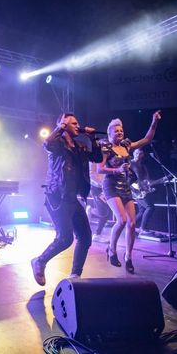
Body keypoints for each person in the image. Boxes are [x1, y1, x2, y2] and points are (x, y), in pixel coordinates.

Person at [31, 113, 102, 286]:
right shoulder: (57, 144)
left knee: (85, 237)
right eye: (74, 123)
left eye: (78, 123)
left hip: (72, 198)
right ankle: (39, 261)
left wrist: (92, 139)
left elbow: (98, 158)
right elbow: (47, 143)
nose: (78, 126)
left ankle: (75, 275)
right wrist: (60, 127)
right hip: (57, 196)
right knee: (65, 238)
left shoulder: (79, 146)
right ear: (64, 124)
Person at [97, 111, 161, 274]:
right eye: (116, 130)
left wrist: (154, 121)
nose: (120, 132)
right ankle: (112, 250)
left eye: (121, 130)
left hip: (125, 186)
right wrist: (117, 170)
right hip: (111, 185)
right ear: (110, 132)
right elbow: (100, 169)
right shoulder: (106, 147)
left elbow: (146, 139)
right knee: (122, 220)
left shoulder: (126, 145)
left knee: (132, 224)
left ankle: (128, 257)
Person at [130, 148, 156, 235]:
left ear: (142, 155)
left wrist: (149, 186)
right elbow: (128, 178)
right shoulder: (130, 164)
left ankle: (130, 226)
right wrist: (138, 188)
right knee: (150, 207)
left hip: (142, 190)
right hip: (135, 190)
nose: (138, 155)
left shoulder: (143, 166)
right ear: (133, 154)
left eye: (140, 154)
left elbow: (147, 179)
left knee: (142, 210)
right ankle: (143, 228)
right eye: (137, 153)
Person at [88, 162, 113, 243]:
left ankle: (92, 210)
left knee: (106, 212)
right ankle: (97, 235)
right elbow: (91, 174)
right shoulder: (93, 160)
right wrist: (102, 183)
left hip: (105, 186)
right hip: (96, 188)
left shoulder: (107, 159)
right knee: (104, 213)